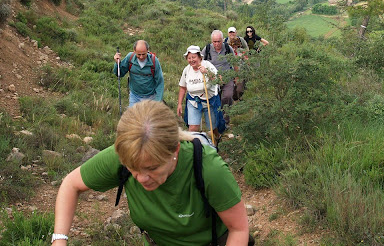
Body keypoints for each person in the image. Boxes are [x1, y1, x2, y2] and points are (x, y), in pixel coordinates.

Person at [51, 100, 250, 246]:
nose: (141, 178)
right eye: (133, 169)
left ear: (175, 150)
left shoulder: (208, 167)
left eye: (152, 168)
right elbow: (71, 184)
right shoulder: (127, 155)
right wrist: (59, 240)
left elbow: (239, 229)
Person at [177, 45, 225, 138]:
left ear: (199, 57)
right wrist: (179, 104)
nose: (191, 60)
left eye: (194, 57)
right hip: (193, 101)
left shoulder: (207, 65)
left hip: (209, 100)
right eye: (189, 58)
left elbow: (220, 80)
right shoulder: (187, 70)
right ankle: (193, 147)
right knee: (193, 128)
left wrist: (207, 72)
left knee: (213, 127)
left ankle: (217, 137)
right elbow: (183, 87)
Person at [113, 40, 164, 106]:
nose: (141, 57)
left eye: (144, 54)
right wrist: (117, 64)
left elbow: (159, 82)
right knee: (132, 116)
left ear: (147, 50)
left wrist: (158, 101)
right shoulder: (130, 58)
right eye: (139, 54)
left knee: (149, 116)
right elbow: (120, 73)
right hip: (135, 97)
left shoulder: (154, 61)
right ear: (134, 51)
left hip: (151, 97)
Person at [202, 30, 235, 124]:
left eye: (219, 41)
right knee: (214, 100)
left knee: (227, 97)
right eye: (214, 41)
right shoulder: (207, 49)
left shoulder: (228, 48)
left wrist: (236, 76)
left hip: (227, 77)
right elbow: (200, 62)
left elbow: (234, 62)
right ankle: (215, 122)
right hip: (212, 78)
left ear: (222, 40)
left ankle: (225, 122)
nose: (216, 44)